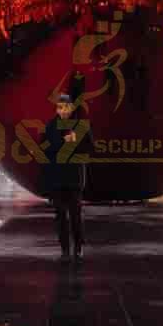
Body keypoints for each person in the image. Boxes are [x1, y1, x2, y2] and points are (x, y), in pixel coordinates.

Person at [43, 93, 93, 262]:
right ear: (57, 109)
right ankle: (65, 249)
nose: (63, 111)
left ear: (71, 107)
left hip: (74, 178)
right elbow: (44, 149)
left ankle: (78, 247)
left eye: (65, 107)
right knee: (60, 216)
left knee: (75, 214)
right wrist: (63, 142)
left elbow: (90, 148)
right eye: (59, 107)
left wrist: (75, 141)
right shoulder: (50, 126)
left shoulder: (81, 126)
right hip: (57, 178)